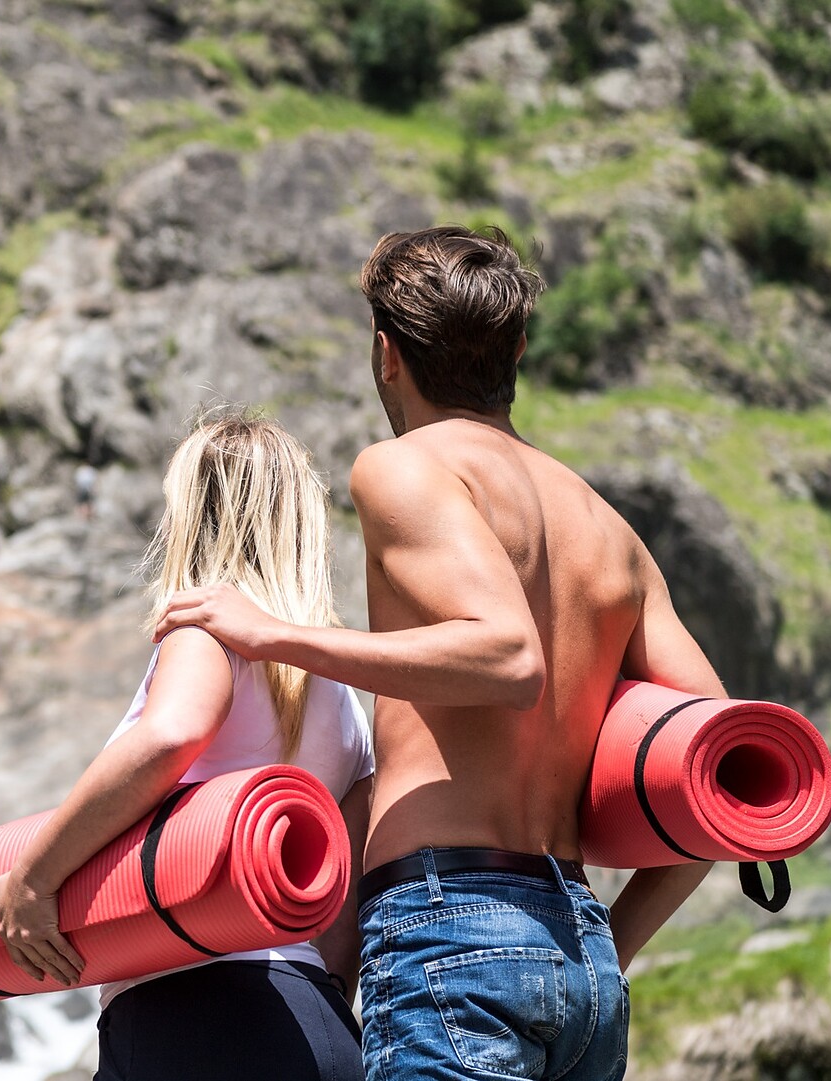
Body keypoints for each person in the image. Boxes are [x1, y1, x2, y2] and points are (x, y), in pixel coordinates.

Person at [154, 225, 722, 1080]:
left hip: (448, 922)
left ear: (387, 353)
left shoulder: (404, 468)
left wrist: (271, 634)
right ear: (518, 348)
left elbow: (506, 657)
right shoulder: (608, 529)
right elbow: (715, 786)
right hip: (582, 956)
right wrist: (609, 946)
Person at [0, 415, 375, 1081]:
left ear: (195, 509)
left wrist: (35, 877)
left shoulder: (206, 628)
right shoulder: (334, 684)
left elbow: (170, 734)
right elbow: (343, 888)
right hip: (319, 1025)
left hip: (191, 1013)